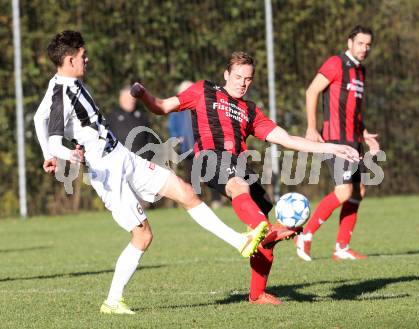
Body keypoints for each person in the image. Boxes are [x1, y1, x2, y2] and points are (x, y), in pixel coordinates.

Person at [33, 31, 269, 314]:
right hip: (107, 171)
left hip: (122, 156)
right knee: (143, 236)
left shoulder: (64, 83)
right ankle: (112, 301)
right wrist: (63, 153)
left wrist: (48, 153)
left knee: (185, 191)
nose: (88, 59)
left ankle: (239, 242)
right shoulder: (62, 93)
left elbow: (38, 117)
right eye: (84, 56)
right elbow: (57, 137)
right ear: (70, 60)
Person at [130, 51, 360, 304]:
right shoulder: (203, 91)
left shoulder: (250, 111)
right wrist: (143, 95)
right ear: (226, 74)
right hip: (209, 158)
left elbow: (287, 139)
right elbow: (161, 107)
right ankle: (266, 230)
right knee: (240, 188)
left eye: (248, 79)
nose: (242, 83)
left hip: (238, 164)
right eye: (238, 77)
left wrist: (331, 147)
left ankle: (257, 292)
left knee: (264, 233)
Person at [294, 25, 380, 261]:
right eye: (361, 43)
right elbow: (312, 91)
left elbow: (353, 110)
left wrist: (364, 133)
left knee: (358, 191)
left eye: (368, 44)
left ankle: (341, 247)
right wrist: (311, 128)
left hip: (353, 140)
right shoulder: (335, 63)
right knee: (343, 192)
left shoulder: (361, 72)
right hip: (335, 139)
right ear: (350, 42)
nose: (365, 48)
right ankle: (305, 235)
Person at [107, 86, 157, 161]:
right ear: (121, 99)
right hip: (120, 162)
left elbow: (150, 139)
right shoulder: (112, 118)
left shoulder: (142, 116)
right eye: (128, 99)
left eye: (133, 99)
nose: (132, 101)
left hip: (142, 162)